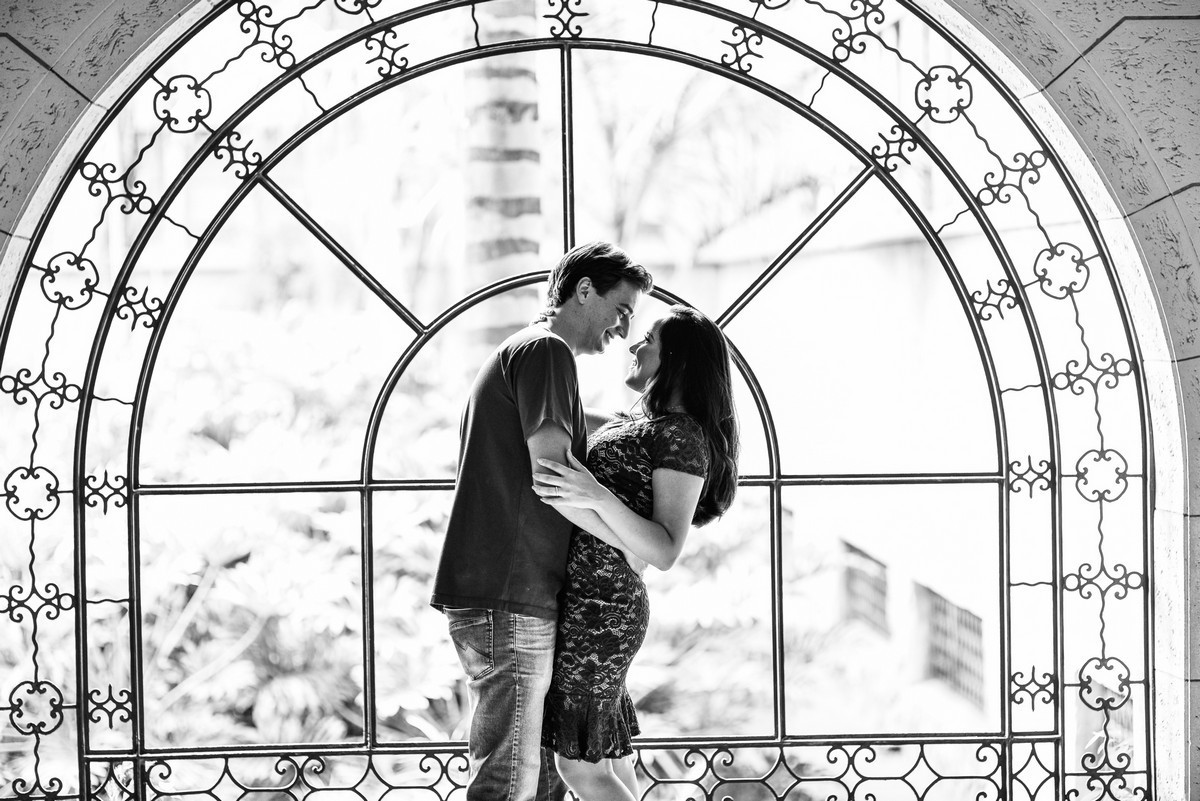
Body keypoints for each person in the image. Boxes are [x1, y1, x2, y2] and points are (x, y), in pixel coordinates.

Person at [431, 241, 653, 801]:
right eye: (621, 311)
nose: (624, 331)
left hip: (511, 594)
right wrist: (637, 542)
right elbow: (553, 477)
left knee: (539, 782)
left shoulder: (532, 357)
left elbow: (585, 442)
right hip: (509, 595)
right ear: (583, 291)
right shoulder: (546, 352)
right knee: (509, 780)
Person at [532, 305, 740, 801]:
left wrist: (595, 496)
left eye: (647, 339)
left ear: (679, 362)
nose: (633, 345)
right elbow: (562, 421)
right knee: (605, 759)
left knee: (579, 768)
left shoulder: (683, 436)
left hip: (604, 610)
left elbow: (665, 549)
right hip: (589, 601)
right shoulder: (642, 424)